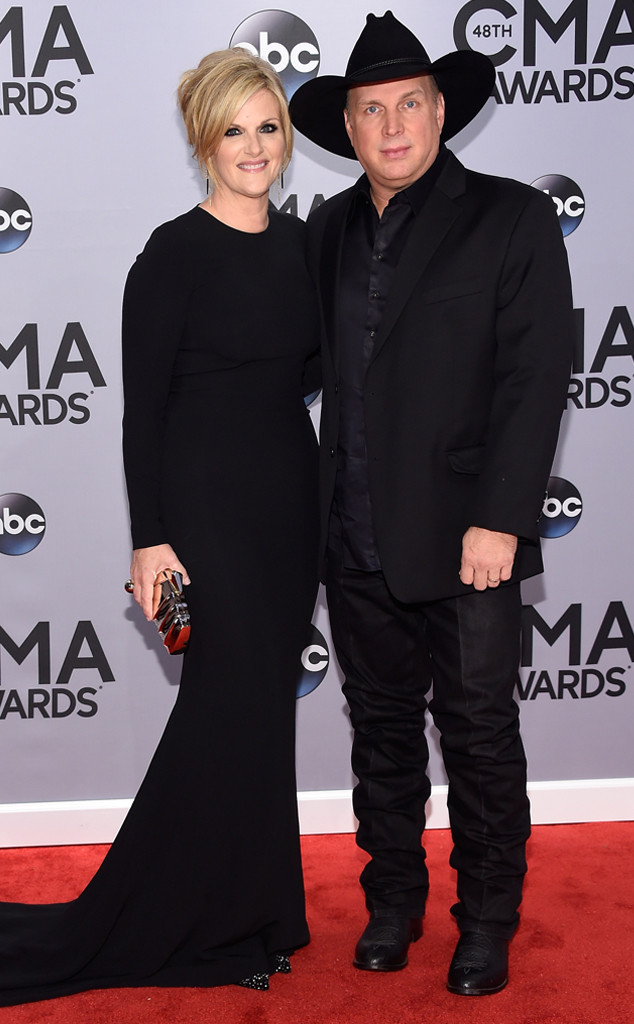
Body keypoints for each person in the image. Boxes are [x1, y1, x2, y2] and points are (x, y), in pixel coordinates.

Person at [0, 48, 319, 1005]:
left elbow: (305, 373)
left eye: (269, 127)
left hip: (288, 504)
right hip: (205, 512)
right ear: (202, 141)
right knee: (225, 711)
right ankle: (156, 917)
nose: (254, 147)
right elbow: (143, 413)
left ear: (287, 137)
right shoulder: (170, 253)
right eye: (235, 130)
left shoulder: (305, 247)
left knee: (262, 718)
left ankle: (254, 914)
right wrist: (153, 540)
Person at [290, 11, 574, 996]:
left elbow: (536, 376)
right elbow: (292, 366)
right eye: (372, 109)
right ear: (349, 127)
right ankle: (394, 900)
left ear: (440, 109)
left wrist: (500, 516)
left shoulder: (510, 218)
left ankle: (486, 916)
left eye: (410, 102)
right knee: (378, 729)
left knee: (478, 729)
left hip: (468, 543)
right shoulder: (323, 230)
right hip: (353, 532)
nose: (394, 124)